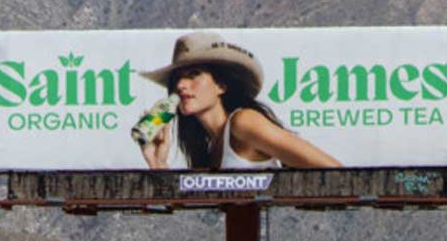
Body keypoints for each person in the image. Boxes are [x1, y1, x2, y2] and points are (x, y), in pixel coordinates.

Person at [136, 31, 340, 170]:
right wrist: (158, 162)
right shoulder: (210, 147)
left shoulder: (243, 123)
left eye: (193, 74)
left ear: (221, 86)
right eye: (177, 78)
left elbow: (333, 171)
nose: (181, 85)